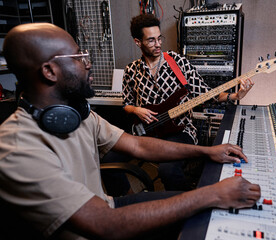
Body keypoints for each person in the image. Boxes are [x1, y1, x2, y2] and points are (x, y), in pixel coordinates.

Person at [0, 23, 260, 240]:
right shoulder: (16, 148)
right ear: (49, 71)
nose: (88, 64)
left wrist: (206, 151)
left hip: (106, 206)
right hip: (101, 224)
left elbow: (139, 146)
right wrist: (212, 192)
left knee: (203, 211)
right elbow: (105, 224)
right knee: (202, 205)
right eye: (79, 58)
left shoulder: (80, 115)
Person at [122, 14, 254, 190]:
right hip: (147, 131)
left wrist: (236, 96)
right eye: (151, 40)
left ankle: (185, 206)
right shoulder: (131, 70)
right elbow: (126, 104)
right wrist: (136, 110)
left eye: (159, 38)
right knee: (108, 158)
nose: (158, 44)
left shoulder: (177, 62)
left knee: (168, 171)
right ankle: (123, 200)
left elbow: (209, 95)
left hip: (180, 130)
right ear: (138, 42)